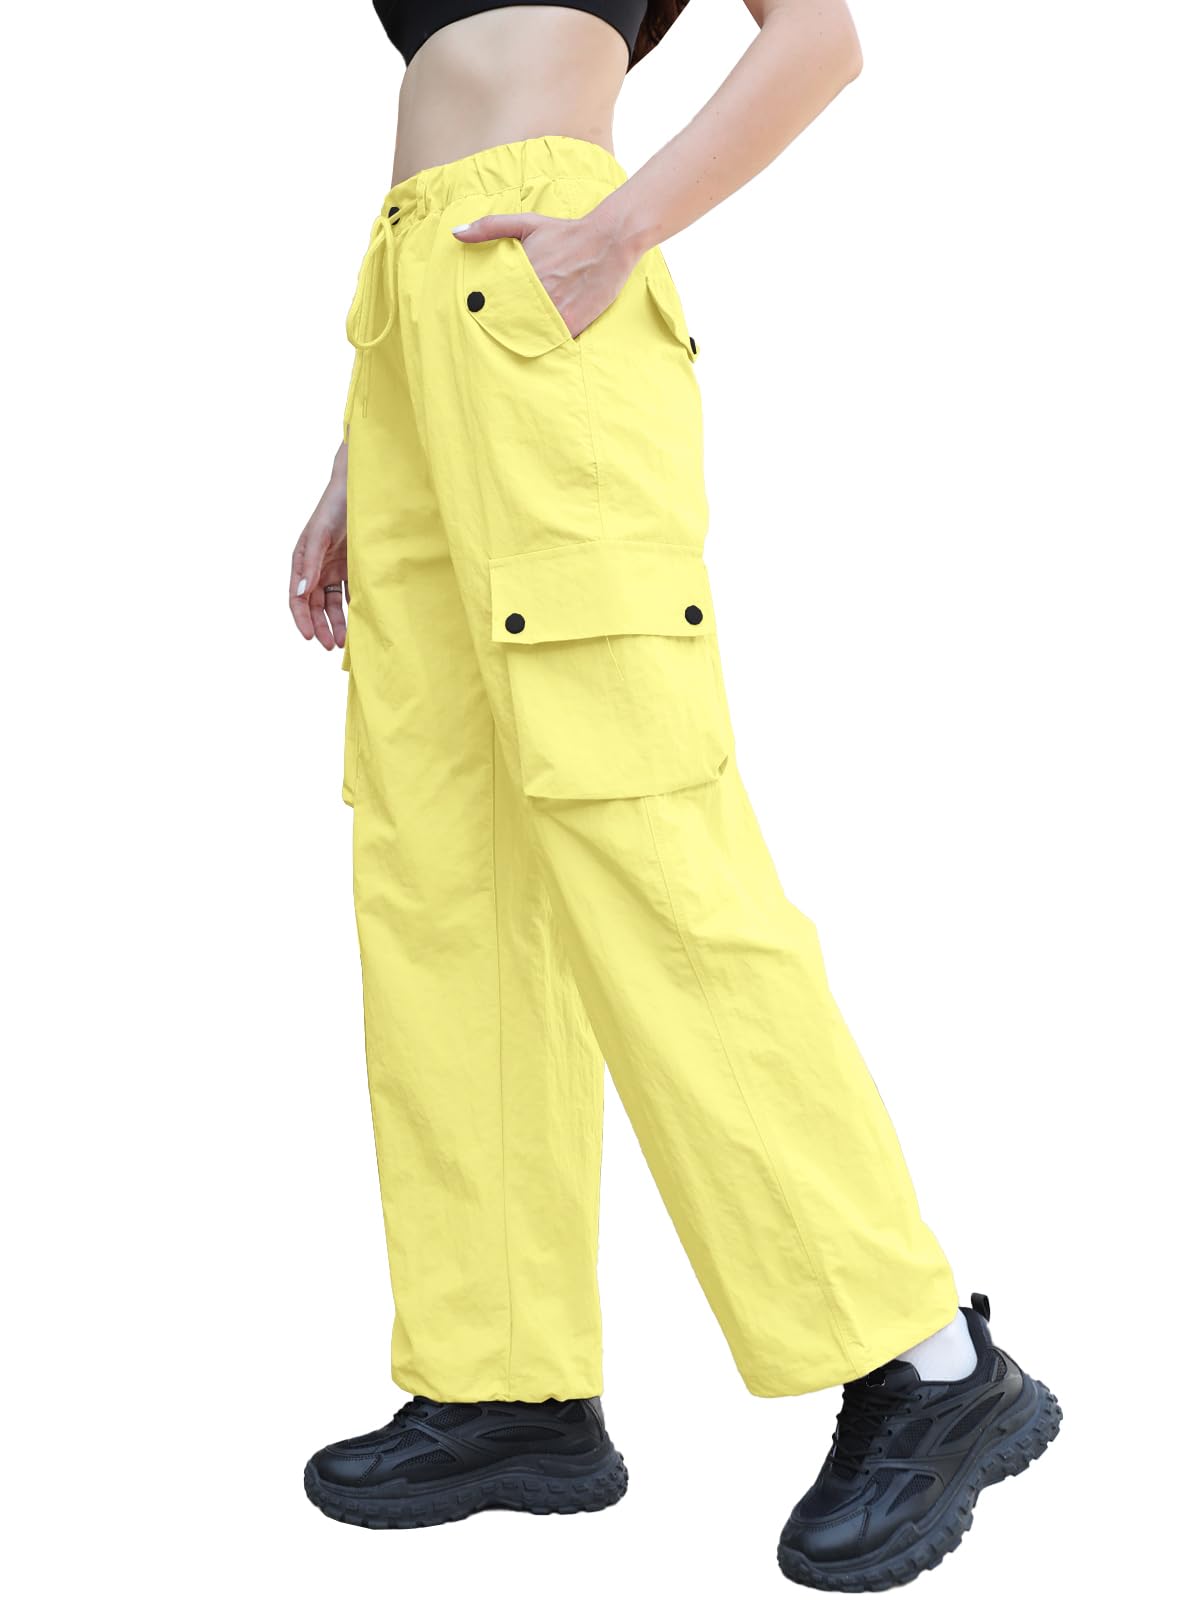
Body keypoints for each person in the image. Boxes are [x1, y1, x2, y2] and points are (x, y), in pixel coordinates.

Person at [288, 1, 1061, 1587]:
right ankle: (506, 1384)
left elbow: (820, 40)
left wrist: (619, 230)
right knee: (443, 874)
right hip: (413, 324)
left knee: (645, 840)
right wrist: (366, 449)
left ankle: (927, 1362)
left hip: (550, 297)